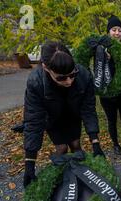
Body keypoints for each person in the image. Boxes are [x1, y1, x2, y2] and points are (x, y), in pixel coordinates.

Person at [23, 41, 105, 187]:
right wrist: (30, 163)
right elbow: (33, 120)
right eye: (61, 78)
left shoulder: (84, 75)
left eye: (72, 74)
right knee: (61, 148)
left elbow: (88, 109)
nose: (69, 81)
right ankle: (62, 179)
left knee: (75, 144)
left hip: (73, 114)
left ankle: (82, 176)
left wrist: (95, 142)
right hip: (53, 118)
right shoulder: (35, 82)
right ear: (45, 68)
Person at [100, 15, 121, 156]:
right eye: (114, 30)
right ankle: (115, 144)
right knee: (112, 120)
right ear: (109, 32)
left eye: (119, 30)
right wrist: (106, 60)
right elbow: (98, 73)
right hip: (108, 95)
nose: (117, 33)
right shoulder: (101, 50)